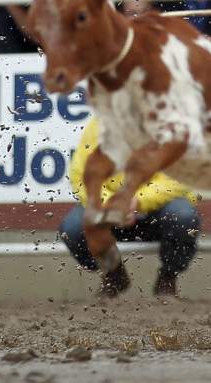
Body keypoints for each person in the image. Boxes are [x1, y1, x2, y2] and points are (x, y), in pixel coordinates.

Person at [58, 118, 202, 297]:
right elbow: (81, 175)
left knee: (183, 217)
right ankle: (113, 273)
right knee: (73, 228)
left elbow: (180, 176)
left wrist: (137, 201)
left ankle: (168, 277)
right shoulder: (98, 125)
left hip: (158, 209)